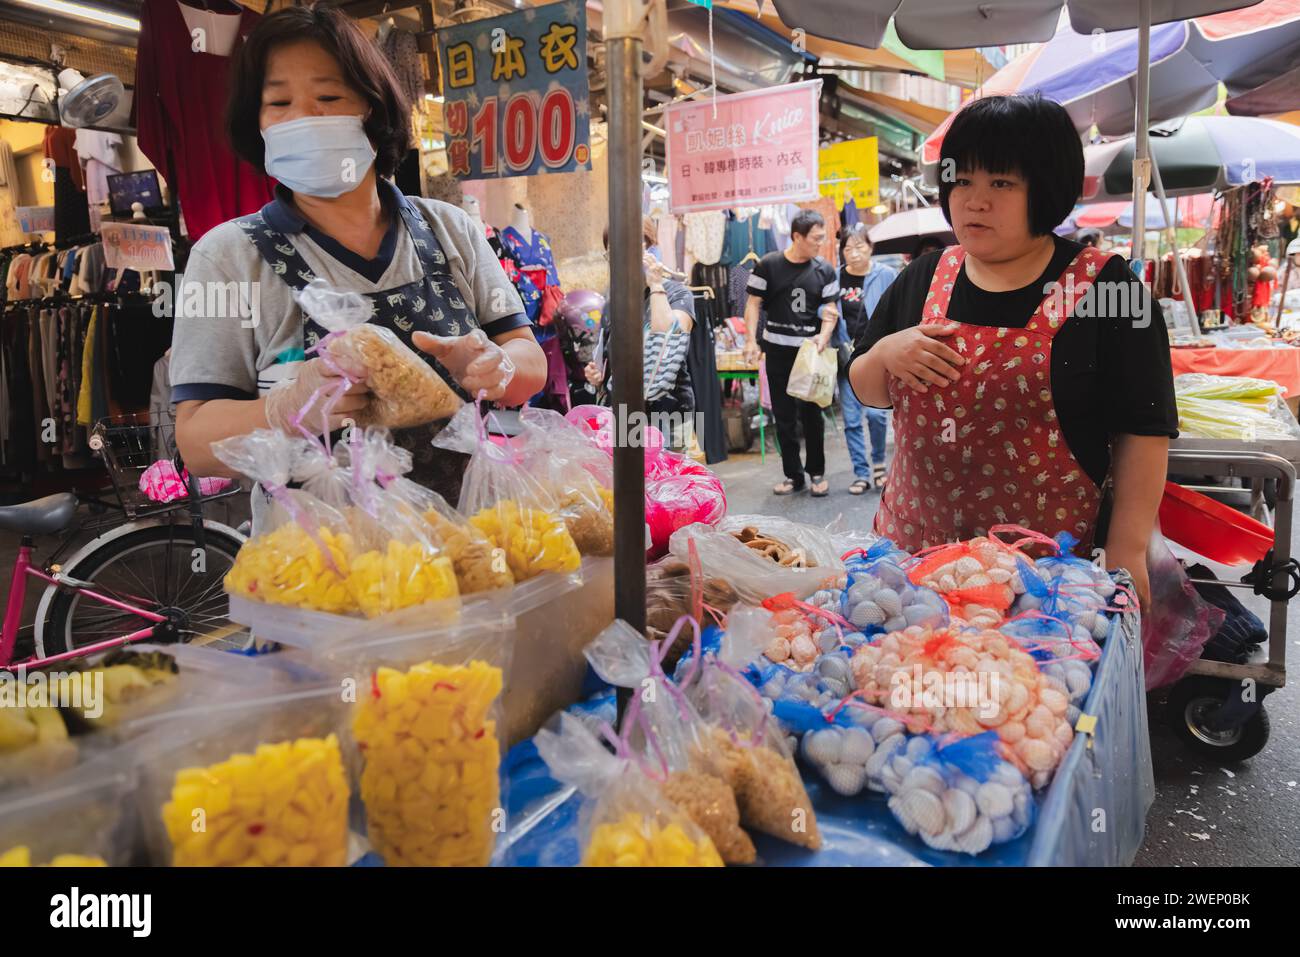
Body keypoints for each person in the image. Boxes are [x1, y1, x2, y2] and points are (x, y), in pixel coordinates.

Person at [170, 5, 545, 506]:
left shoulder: (448, 228)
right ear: (255, 124)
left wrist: (495, 367)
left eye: (328, 96)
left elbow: (529, 364)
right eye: (278, 102)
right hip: (322, 565)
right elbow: (195, 443)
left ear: (373, 110)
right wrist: (285, 407)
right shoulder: (226, 257)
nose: (303, 117)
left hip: (475, 543)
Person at [849, 94, 1177, 608]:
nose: (974, 200)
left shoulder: (1106, 289)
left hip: (1049, 580)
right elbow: (867, 390)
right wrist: (886, 353)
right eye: (962, 180)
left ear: (1046, 189)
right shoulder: (924, 276)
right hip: (914, 565)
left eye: (1001, 183)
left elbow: (1145, 429)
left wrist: (1127, 550)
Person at [743, 210, 839, 496]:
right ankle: (793, 475)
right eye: (815, 239)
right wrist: (750, 340)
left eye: (823, 238)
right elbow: (753, 304)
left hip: (809, 354)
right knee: (783, 417)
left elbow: (831, 309)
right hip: (777, 352)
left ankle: (817, 473)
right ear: (797, 237)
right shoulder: (769, 265)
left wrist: (824, 335)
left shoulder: (825, 269)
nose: (820, 244)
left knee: (812, 416)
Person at [584, 223, 696, 446]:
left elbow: (667, 337)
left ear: (649, 249)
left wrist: (655, 284)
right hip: (622, 415)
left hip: (667, 415)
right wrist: (598, 377)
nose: (620, 261)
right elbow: (610, 358)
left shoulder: (677, 293)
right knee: (626, 480)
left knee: (665, 478)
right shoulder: (613, 302)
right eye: (612, 254)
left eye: (628, 250)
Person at [835, 224, 895, 493]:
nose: (854, 253)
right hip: (845, 355)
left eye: (860, 247)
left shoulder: (886, 275)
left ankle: (879, 463)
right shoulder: (835, 279)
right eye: (848, 248)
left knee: (876, 415)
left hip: (875, 355)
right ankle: (861, 472)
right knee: (850, 419)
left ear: (870, 248)